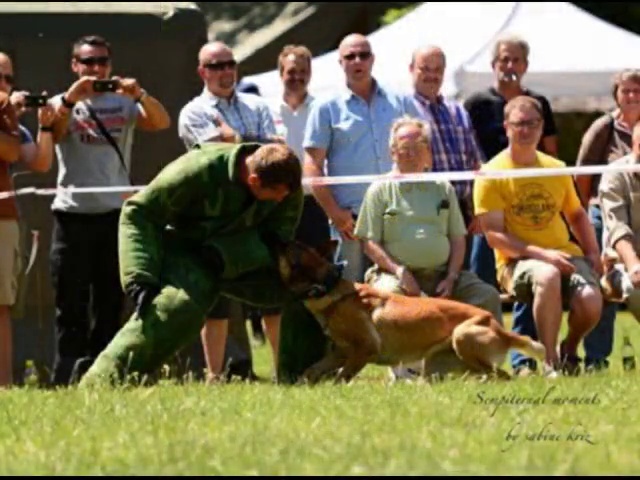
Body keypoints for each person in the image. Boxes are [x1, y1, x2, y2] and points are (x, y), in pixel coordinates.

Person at [79, 142, 304, 387]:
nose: (283, 199)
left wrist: (225, 255)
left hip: (244, 255)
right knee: (175, 308)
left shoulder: (287, 184)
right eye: (278, 194)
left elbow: (277, 239)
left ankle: (305, 374)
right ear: (254, 181)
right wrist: (139, 276)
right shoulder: (196, 170)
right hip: (186, 251)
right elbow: (139, 212)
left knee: (306, 285)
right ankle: (101, 382)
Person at [49, 34, 170, 386]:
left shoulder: (124, 101)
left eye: (102, 61)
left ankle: (104, 375)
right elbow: (54, 133)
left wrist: (139, 94)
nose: (96, 69)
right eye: (88, 62)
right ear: (75, 65)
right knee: (70, 301)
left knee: (110, 300)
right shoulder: (63, 101)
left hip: (114, 215)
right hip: (72, 214)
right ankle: (66, 376)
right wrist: (71, 99)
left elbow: (160, 122)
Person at [355, 116, 502, 379]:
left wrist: (452, 276)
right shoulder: (379, 189)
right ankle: (404, 371)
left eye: (418, 147)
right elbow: (368, 242)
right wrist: (400, 272)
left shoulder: (442, 187)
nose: (411, 154)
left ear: (428, 152)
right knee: (388, 298)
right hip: (395, 275)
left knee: (487, 295)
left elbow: (458, 238)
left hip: (444, 273)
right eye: (404, 148)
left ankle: (483, 365)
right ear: (392, 153)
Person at [473, 95, 603, 377]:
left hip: (565, 253)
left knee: (591, 301)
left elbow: (577, 215)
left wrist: (593, 252)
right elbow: (494, 235)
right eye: (519, 124)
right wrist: (544, 255)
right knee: (547, 274)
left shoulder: (556, 168)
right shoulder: (490, 173)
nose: (526, 130)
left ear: (542, 127)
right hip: (516, 263)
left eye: (532, 124)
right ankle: (549, 361)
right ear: (506, 127)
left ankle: (569, 348)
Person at [464, 34, 559, 376]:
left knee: (527, 281)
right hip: (487, 205)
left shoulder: (539, 104)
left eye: (515, 59)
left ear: (525, 65)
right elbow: (467, 153)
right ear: (493, 64)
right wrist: (474, 208)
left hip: (528, 209)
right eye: (503, 59)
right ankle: (479, 356)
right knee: (482, 283)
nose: (509, 65)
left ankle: (522, 361)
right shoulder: (475, 104)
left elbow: (551, 152)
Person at [574, 69, 640, 370]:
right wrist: (585, 214)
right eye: (626, 91)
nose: (632, 96)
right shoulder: (603, 126)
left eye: (637, 90)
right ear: (616, 95)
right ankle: (596, 358)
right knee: (605, 284)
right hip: (606, 211)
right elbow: (582, 173)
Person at [599, 121, 640, 321]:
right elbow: (618, 228)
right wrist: (634, 266)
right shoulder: (615, 174)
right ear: (633, 145)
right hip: (622, 264)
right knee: (636, 289)